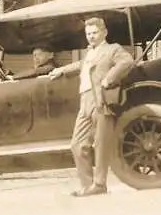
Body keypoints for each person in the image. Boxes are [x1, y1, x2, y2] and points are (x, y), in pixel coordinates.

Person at [49, 17, 134, 197]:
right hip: (85, 100)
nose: (91, 37)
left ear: (104, 33)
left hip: (101, 99)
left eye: (94, 33)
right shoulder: (90, 53)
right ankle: (87, 185)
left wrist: (109, 78)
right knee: (77, 144)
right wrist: (61, 70)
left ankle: (99, 184)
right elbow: (82, 65)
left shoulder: (112, 49)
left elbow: (127, 61)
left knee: (101, 143)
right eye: (88, 34)